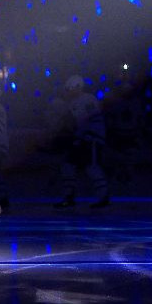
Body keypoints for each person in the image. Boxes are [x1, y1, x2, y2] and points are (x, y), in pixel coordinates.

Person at [53, 75, 110, 209]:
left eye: (69, 89)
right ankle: (69, 196)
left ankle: (103, 196)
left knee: (91, 166)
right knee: (68, 166)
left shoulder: (88, 100)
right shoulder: (76, 102)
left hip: (90, 139)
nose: (67, 92)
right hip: (81, 139)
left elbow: (81, 120)